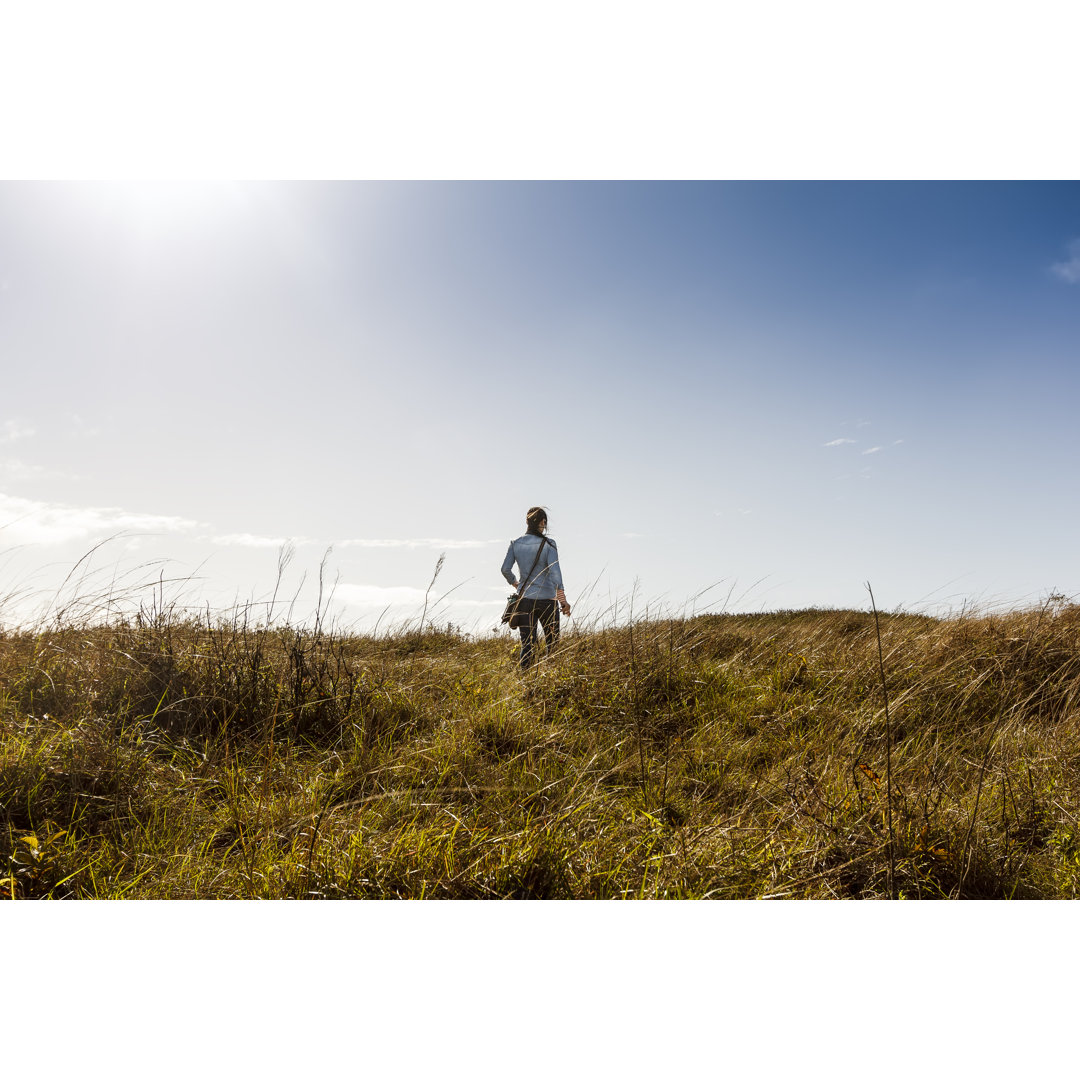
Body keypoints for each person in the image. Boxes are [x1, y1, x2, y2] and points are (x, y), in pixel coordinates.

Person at [501, 506, 571, 670]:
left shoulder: (515, 544)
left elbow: (505, 569)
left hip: (524, 600)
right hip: (548, 601)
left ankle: (525, 685)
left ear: (527, 522)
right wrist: (563, 602)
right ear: (542, 522)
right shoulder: (549, 544)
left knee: (527, 645)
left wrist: (516, 583)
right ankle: (551, 683)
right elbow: (555, 574)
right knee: (552, 645)